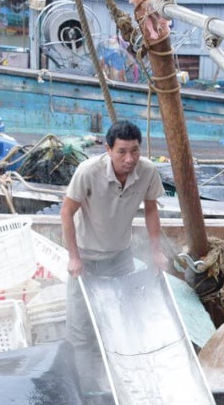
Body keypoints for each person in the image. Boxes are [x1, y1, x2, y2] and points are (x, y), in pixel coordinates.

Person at [60, 120, 169, 376]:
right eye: (122, 151)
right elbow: (66, 212)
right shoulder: (88, 171)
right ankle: (84, 384)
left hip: (120, 256)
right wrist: (74, 257)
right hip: (86, 258)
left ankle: (123, 375)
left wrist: (155, 250)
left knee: (123, 319)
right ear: (108, 150)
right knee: (80, 329)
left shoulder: (147, 171)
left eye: (135, 151)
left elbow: (151, 210)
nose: (129, 159)